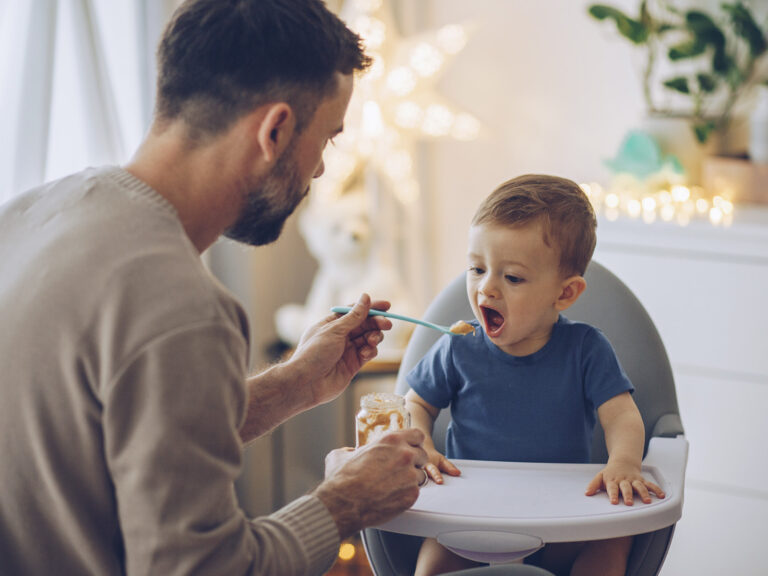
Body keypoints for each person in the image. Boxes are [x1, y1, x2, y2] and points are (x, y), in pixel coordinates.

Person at [0, 1, 429, 575]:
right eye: (326, 141)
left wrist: (295, 384)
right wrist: (344, 501)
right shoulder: (182, 308)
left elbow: (116, 436)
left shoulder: (30, 214)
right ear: (274, 130)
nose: (321, 172)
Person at [405, 174, 666, 576]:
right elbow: (416, 402)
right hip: (472, 520)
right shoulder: (459, 346)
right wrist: (421, 441)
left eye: (512, 277)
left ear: (564, 294)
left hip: (564, 520)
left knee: (613, 543)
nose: (485, 290)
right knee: (430, 565)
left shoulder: (585, 349)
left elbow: (621, 415)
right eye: (476, 269)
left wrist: (625, 462)